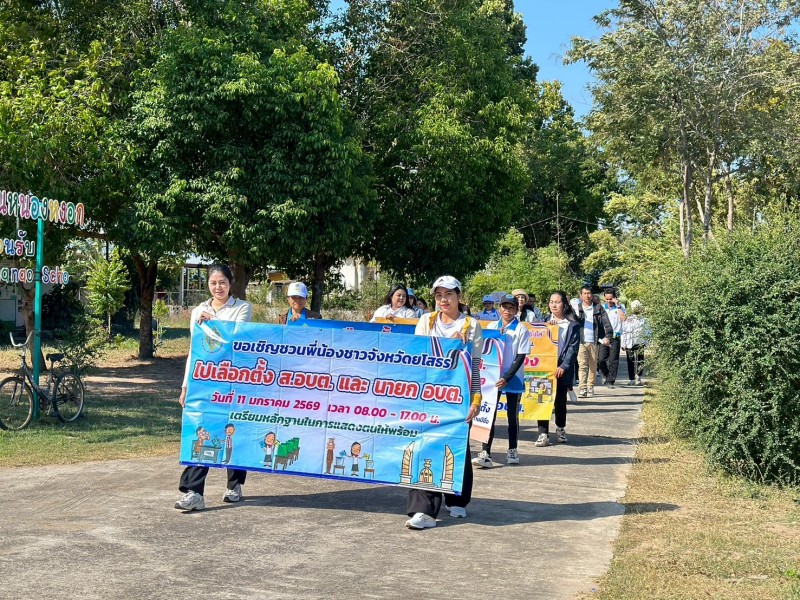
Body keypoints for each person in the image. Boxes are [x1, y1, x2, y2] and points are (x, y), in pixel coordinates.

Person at [406, 276, 482, 530]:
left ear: (459, 296)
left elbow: (475, 367)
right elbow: (418, 359)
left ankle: (457, 498)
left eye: (448, 294)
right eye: (439, 295)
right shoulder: (426, 321)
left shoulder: (471, 325)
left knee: (456, 447)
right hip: (429, 396)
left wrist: (476, 400)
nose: (443, 300)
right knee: (423, 448)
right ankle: (424, 511)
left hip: (458, 399)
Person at [175, 264, 253, 512]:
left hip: (234, 380)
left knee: (232, 431)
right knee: (201, 430)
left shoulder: (242, 308)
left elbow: (236, 338)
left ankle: (234, 485)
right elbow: (194, 350)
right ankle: (194, 492)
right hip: (205, 381)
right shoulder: (199, 310)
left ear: (231, 283)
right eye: (213, 283)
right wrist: (186, 386)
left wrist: (215, 321)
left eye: (222, 282)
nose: (218, 287)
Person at [473, 293, 530, 467]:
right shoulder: (491, 327)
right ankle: (485, 452)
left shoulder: (521, 329)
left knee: (512, 416)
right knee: (489, 414)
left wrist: (507, 377)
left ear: (517, 310)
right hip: (493, 377)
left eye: (511, 307)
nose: (508, 310)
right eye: (505, 307)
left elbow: (521, 356)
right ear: (499, 308)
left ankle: (512, 450)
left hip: (513, 377)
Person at [534, 291, 580, 446]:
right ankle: (543, 434)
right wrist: (547, 328)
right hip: (544, 369)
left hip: (561, 370)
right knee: (542, 400)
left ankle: (560, 428)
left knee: (560, 402)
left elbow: (573, 348)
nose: (554, 305)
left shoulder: (572, 325)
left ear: (564, 304)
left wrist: (564, 366)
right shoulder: (543, 322)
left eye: (557, 302)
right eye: (551, 301)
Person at [574, 286, 612, 398]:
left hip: (594, 340)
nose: (587, 295)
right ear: (581, 295)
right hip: (581, 340)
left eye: (589, 293)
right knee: (582, 365)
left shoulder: (598, 308)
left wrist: (607, 337)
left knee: (593, 365)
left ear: (592, 294)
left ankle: (590, 385)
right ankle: (582, 388)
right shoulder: (576, 308)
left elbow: (607, 324)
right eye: (585, 293)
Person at [597, 288, 626, 389]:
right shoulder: (601, 308)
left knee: (613, 360)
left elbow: (623, 318)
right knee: (600, 359)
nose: (609, 301)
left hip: (615, 337)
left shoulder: (620, 307)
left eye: (611, 299)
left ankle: (610, 381)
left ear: (614, 298)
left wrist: (617, 306)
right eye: (607, 299)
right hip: (604, 337)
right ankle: (606, 374)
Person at [621, 300, 649, 385]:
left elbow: (648, 331)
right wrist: (623, 343)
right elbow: (624, 331)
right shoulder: (628, 319)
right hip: (630, 342)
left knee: (640, 360)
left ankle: (638, 377)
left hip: (640, 342)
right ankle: (631, 379)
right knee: (630, 360)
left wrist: (647, 342)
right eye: (634, 308)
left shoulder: (644, 319)